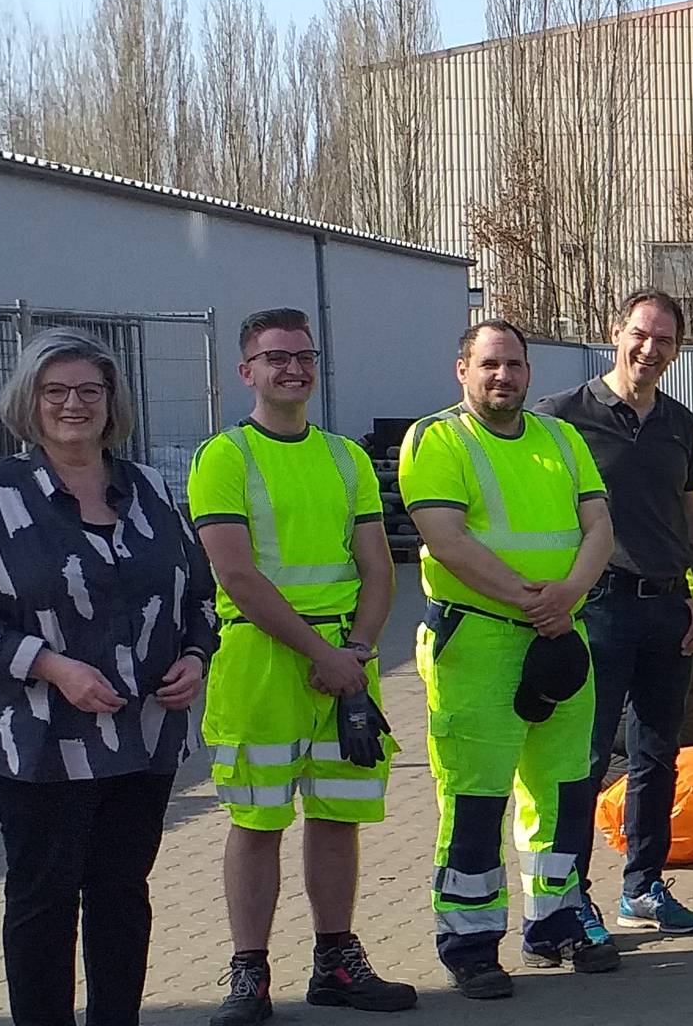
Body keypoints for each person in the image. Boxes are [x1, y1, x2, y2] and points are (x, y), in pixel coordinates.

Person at [0, 328, 216, 1026]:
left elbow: (199, 598)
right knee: (43, 901)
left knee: (122, 895)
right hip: (38, 743)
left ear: (112, 401)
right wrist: (51, 666)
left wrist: (195, 657)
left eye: (90, 390)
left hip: (142, 737)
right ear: (31, 402)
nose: (73, 404)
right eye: (56, 391)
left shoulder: (145, 486)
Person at [192, 309, 417, 1022]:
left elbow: (378, 565)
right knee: (257, 820)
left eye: (304, 356)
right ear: (247, 371)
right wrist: (324, 654)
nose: (293, 368)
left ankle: (336, 962)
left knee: (336, 817)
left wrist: (356, 649)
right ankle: (249, 974)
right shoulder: (224, 457)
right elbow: (237, 575)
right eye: (275, 356)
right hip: (264, 660)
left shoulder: (345, 456)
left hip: (345, 661)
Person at [403, 320, 618, 996]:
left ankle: (554, 924)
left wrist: (570, 595)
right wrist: (537, 602)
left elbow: (599, 527)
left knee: (563, 793)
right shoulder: (437, 440)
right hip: (482, 641)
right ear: (462, 370)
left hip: (562, 636)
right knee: (476, 797)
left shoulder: (561, 436)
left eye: (515, 365)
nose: (504, 377)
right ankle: (469, 944)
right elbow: (445, 537)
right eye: (490, 364)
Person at [536, 289, 693, 941]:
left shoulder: (679, 423)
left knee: (657, 756)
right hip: (599, 607)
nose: (650, 349)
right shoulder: (562, 418)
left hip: (669, 611)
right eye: (641, 334)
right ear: (616, 333)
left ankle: (642, 886)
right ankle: (570, 894)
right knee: (585, 758)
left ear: (677, 350)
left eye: (665, 340)